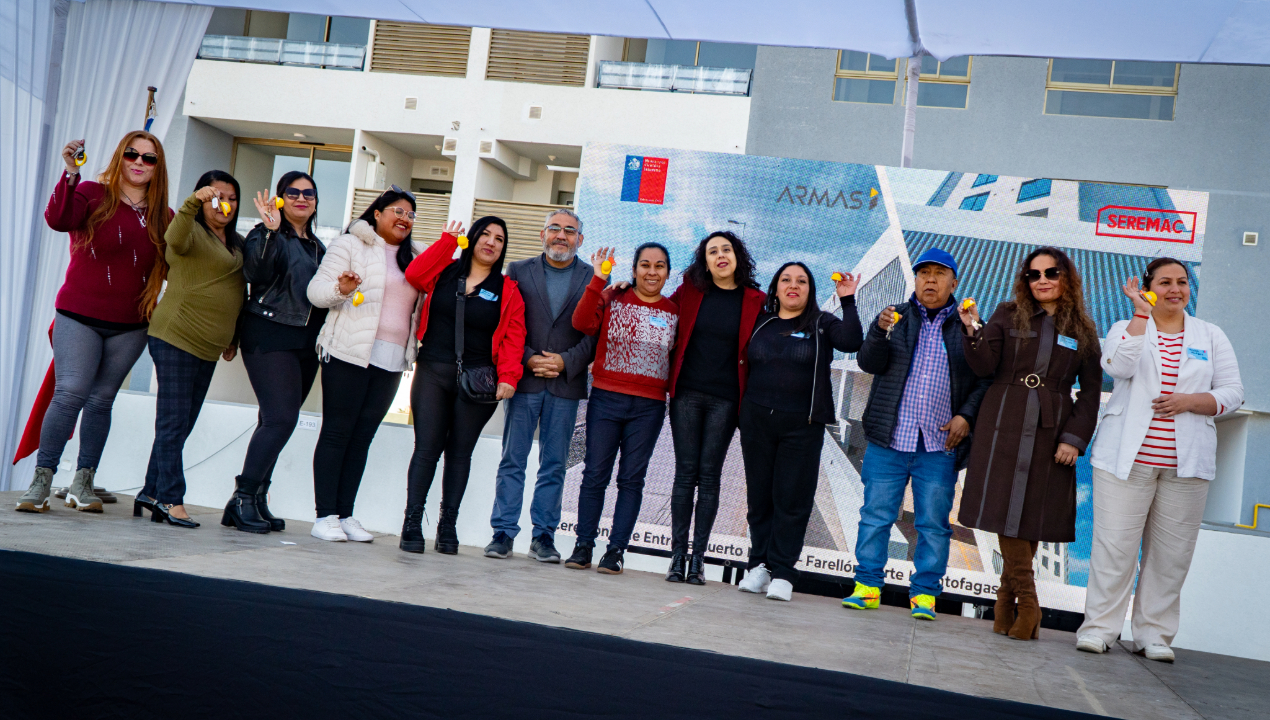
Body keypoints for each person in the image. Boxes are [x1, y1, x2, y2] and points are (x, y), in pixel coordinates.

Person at [1076, 258, 1242, 663]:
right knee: (1114, 549)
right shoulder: (1128, 326)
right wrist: (1140, 314)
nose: (1175, 289)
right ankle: (1099, 629)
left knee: (1171, 555)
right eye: (1164, 282)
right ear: (1149, 288)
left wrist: (1192, 401)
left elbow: (1233, 392)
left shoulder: (1210, 335)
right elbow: (1117, 366)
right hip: (1124, 462)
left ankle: (1153, 634)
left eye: (1181, 282)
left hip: (1186, 467)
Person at [15, 132, 172, 515]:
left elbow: (177, 265)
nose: (139, 162)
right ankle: (41, 480)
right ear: (120, 156)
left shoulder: (164, 216)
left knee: (102, 401)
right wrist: (70, 172)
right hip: (78, 315)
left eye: (149, 158)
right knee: (70, 393)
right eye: (132, 154)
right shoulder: (91, 193)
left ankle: (83, 482)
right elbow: (58, 220)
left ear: (157, 167)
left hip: (132, 323)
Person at [957, 248, 1104, 640]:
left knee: (1029, 513)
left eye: (1051, 273)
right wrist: (971, 331)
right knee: (1005, 508)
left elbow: (1091, 393)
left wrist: (1073, 439)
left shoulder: (1083, 329)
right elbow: (984, 366)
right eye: (1033, 274)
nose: (1042, 280)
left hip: (1050, 430)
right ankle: (1028, 604)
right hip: (1001, 422)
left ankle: (1006, 603)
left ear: (1066, 278)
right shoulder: (1006, 313)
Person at [841, 248, 991, 619]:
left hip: (940, 445)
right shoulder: (895, 316)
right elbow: (868, 363)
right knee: (875, 516)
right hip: (889, 439)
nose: (930, 280)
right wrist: (879, 331)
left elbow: (986, 377)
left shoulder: (970, 324)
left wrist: (966, 416)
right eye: (924, 273)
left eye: (939, 274)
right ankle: (867, 586)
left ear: (954, 283)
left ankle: (924, 594)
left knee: (933, 525)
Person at [306, 186, 426, 543]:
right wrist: (341, 290)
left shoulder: (415, 256)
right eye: (397, 211)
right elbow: (316, 292)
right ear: (377, 213)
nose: (404, 219)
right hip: (349, 351)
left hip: (391, 358)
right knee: (337, 432)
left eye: (410, 214)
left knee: (362, 438)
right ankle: (324, 515)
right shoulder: (350, 244)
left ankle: (345, 514)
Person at [736, 262, 862, 602]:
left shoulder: (822, 323)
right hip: (757, 423)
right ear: (775, 288)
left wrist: (847, 300)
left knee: (792, 500)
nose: (794, 286)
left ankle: (783, 572)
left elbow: (852, 341)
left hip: (802, 427)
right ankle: (759, 566)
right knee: (759, 499)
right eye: (786, 280)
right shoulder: (761, 322)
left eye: (802, 281)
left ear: (810, 289)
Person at [400, 217, 526, 555]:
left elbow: (514, 336)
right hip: (432, 371)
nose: (491, 242)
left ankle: (447, 525)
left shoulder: (508, 289)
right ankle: (412, 522)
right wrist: (447, 242)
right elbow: (415, 275)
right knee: (427, 449)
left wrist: (508, 377)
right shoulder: (445, 271)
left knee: (459, 454)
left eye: (499, 238)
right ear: (472, 238)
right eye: (484, 234)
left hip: (478, 381)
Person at [136, 171, 246, 528]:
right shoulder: (190, 231)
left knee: (182, 424)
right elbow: (173, 239)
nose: (224, 204)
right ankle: (171, 499)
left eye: (231, 198)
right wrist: (191, 203)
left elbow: (236, 290)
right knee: (172, 422)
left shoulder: (237, 242)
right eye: (216, 197)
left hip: (209, 346)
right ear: (203, 198)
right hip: (176, 336)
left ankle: (150, 492)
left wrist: (233, 337)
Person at [484, 209, 595, 563]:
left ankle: (543, 537)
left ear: (580, 239)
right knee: (512, 460)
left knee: (555, 464)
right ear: (542, 234)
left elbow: (595, 334)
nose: (561, 235)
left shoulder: (592, 277)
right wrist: (529, 358)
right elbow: (506, 322)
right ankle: (502, 533)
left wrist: (565, 362)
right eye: (554, 228)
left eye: (569, 230)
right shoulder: (517, 271)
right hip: (525, 380)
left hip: (566, 383)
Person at [220, 171, 327, 534]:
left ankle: (256, 497)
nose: (301, 198)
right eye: (293, 192)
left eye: (308, 193)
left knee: (273, 421)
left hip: (305, 342)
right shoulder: (265, 233)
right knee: (281, 419)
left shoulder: (318, 247)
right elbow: (255, 272)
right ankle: (243, 498)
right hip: (269, 332)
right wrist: (269, 231)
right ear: (280, 199)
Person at [565, 244, 678, 575]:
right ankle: (583, 546)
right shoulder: (613, 297)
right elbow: (582, 322)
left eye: (659, 266)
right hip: (606, 398)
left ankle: (615, 551)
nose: (652, 272)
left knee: (631, 479)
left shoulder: (675, 311)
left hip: (649, 406)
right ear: (634, 269)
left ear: (668, 272)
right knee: (595, 474)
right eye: (645, 265)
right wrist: (599, 280)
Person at [663, 231, 766, 585]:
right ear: (704, 261)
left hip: (726, 399)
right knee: (685, 473)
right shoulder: (690, 291)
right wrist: (621, 291)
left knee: (709, 476)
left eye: (726, 249)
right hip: (687, 394)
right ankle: (677, 557)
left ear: (737, 256)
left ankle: (698, 561)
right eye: (712, 251)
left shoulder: (756, 299)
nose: (720, 255)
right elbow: (660, 310)